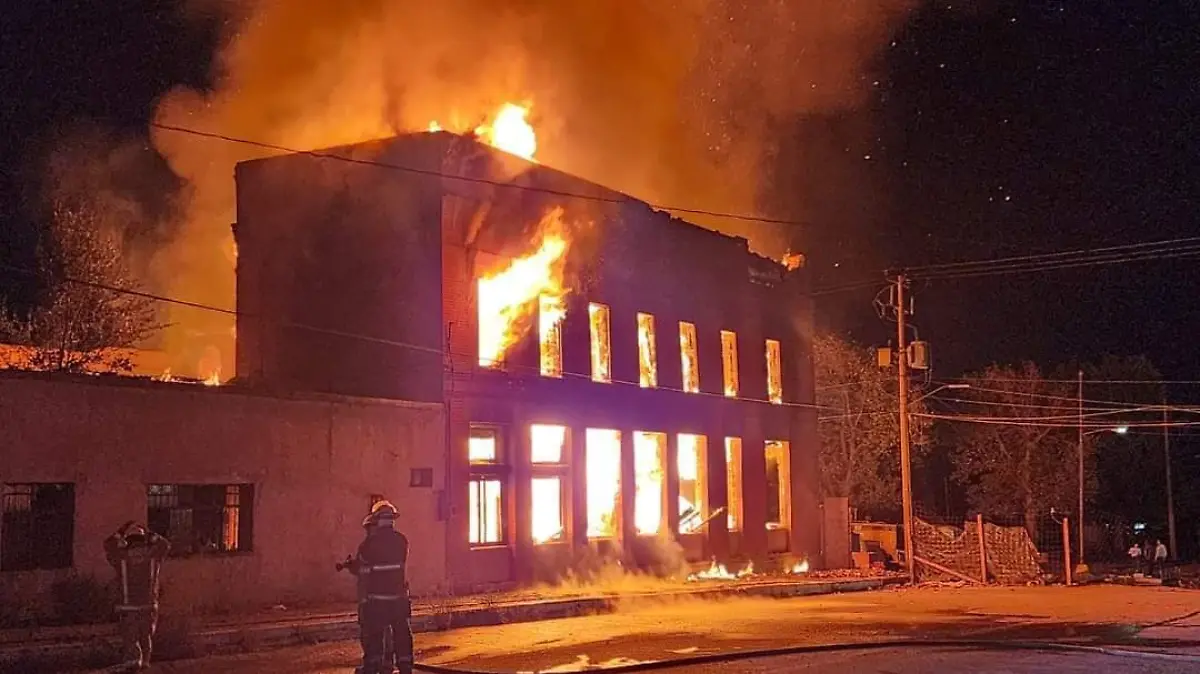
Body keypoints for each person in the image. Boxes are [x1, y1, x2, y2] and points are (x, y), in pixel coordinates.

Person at [345, 500, 413, 674]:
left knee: (374, 636)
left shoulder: (368, 544)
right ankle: (405, 665)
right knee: (402, 634)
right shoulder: (402, 541)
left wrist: (352, 566)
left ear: (376, 520)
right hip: (398, 598)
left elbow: (363, 569)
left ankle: (372, 666)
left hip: (377, 600)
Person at [103, 521, 170, 670]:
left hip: (128, 607)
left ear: (128, 542)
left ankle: (133, 662)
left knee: (130, 638)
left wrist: (121, 531)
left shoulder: (122, 558)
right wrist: (151, 534)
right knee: (146, 636)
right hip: (149, 606)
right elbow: (165, 545)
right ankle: (145, 661)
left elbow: (108, 545)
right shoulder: (153, 557)